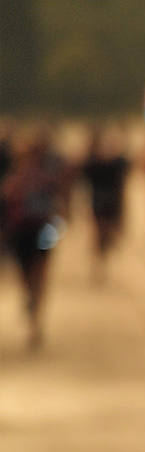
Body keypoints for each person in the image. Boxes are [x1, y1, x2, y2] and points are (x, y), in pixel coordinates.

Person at [3, 132, 68, 351]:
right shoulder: (13, 180)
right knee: (26, 274)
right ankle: (31, 301)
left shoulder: (45, 178)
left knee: (40, 271)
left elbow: (58, 202)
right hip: (22, 231)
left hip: (41, 228)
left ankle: (36, 317)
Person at [80, 127, 130, 285]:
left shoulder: (117, 164)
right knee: (99, 232)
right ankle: (99, 264)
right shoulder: (94, 164)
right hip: (99, 201)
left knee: (107, 233)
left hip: (113, 202)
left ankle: (102, 259)